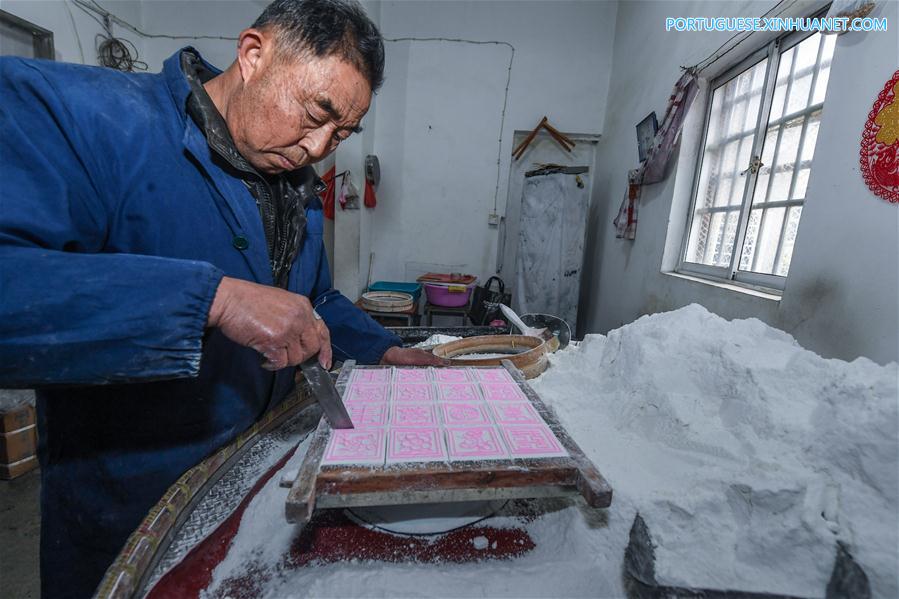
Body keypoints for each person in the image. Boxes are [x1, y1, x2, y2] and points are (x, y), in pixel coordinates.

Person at [0, 0, 440, 595]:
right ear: (254, 54)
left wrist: (384, 351)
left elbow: (314, 300)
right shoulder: (80, 117)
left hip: (259, 480)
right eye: (315, 114)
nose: (317, 148)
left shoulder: (294, 180)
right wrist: (214, 300)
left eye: (341, 133)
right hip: (129, 507)